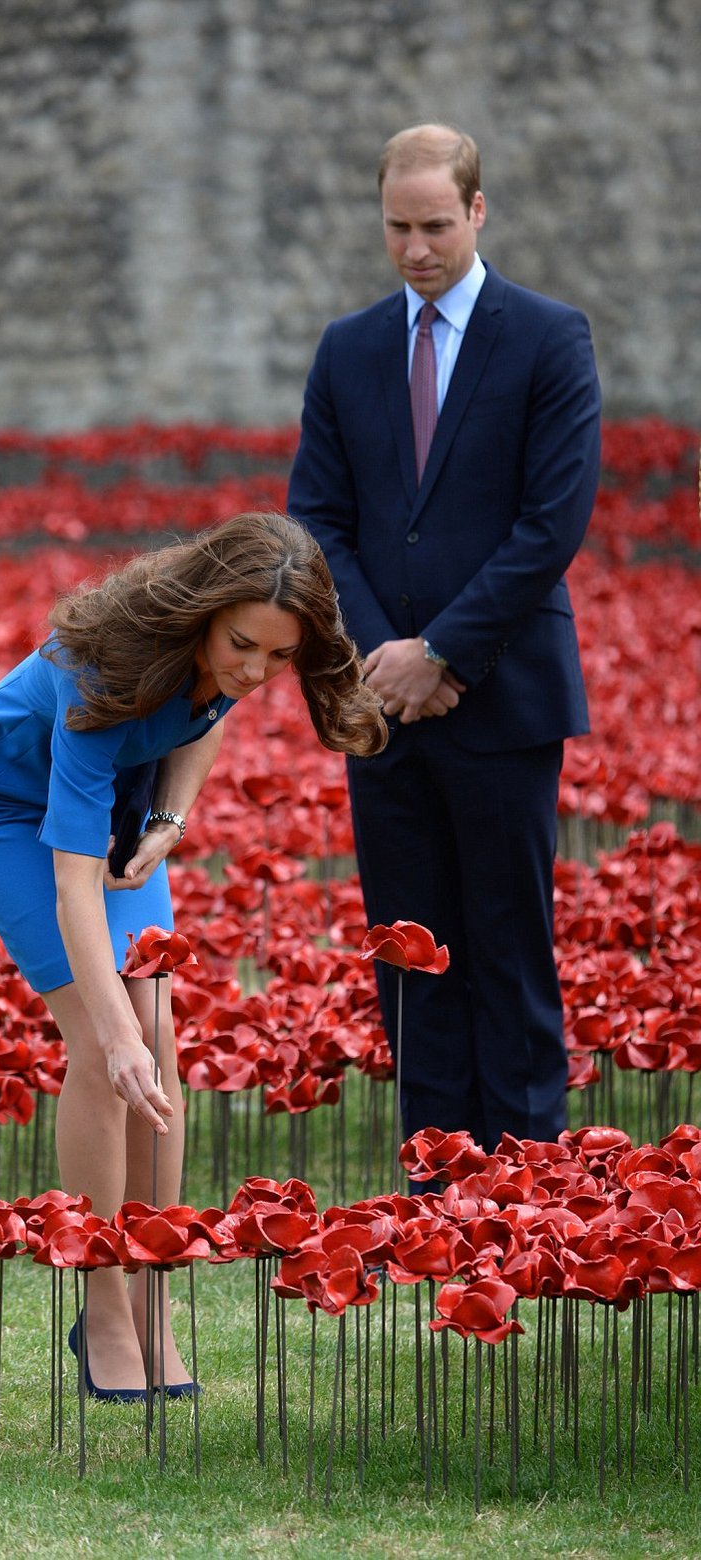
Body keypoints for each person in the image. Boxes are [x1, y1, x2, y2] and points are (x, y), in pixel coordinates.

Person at [0, 511, 386, 1398]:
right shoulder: (103, 670)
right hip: (7, 815)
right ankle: (102, 1298)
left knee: (160, 1034)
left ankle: (155, 1290)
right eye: (242, 645)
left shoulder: (224, 657)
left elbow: (204, 720)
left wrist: (171, 824)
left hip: (123, 808)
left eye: (277, 656)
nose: (254, 671)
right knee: (106, 1050)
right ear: (203, 615)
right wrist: (110, 1036)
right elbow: (74, 888)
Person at [287, 123, 601, 1160]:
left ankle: (523, 1198)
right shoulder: (348, 348)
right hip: (382, 710)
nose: (416, 248)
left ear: (477, 211)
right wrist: (386, 656)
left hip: (502, 703)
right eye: (396, 227)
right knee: (409, 963)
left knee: (511, 953)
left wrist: (446, 653)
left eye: (434, 225)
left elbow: (550, 523)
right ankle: (435, 1201)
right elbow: (318, 520)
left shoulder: (549, 338)